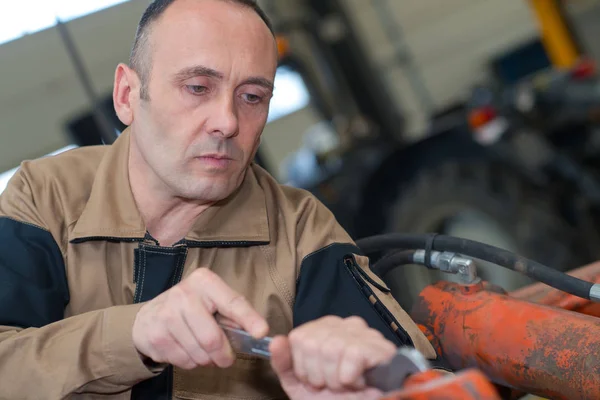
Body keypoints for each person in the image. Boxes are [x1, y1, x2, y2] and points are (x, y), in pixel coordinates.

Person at [0, 0, 437, 399]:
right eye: (197, 87)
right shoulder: (46, 196)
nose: (228, 122)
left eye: (252, 97)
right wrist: (131, 334)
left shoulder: (302, 231)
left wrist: (369, 383)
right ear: (128, 96)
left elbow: (409, 379)